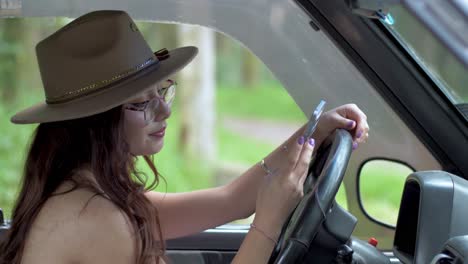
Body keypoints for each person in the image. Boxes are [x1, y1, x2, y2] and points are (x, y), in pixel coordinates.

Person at [0, 10, 369, 264]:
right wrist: (270, 221)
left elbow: (229, 199)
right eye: (141, 104)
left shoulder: (98, 196)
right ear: (93, 122)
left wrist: (313, 134)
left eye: (162, 92)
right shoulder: (94, 218)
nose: (164, 111)